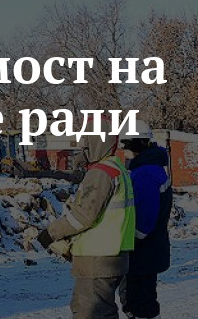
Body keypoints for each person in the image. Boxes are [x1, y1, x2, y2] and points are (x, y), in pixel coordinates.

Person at [37, 133, 136, 319]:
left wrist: (51, 233)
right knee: (100, 311)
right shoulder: (117, 169)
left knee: (91, 313)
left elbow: (83, 216)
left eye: (87, 142)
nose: (83, 147)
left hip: (98, 260)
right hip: (112, 256)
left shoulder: (101, 173)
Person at [121, 121, 172, 319]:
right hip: (153, 246)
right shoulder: (153, 167)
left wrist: (133, 239)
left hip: (144, 249)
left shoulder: (145, 173)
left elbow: (145, 215)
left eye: (126, 145)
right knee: (145, 299)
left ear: (137, 143)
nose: (124, 150)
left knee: (141, 302)